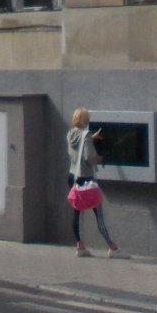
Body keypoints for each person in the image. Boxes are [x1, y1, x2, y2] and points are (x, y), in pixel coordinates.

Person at [66, 106, 119, 257]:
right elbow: (89, 158)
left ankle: (80, 246)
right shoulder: (86, 135)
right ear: (85, 119)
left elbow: (78, 146)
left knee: (77, 212)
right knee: (98, 212)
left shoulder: (70, 134)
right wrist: (100, 158)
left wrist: (91, 138)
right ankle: (112, 247)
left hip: (73, 175)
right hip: (86, 179)